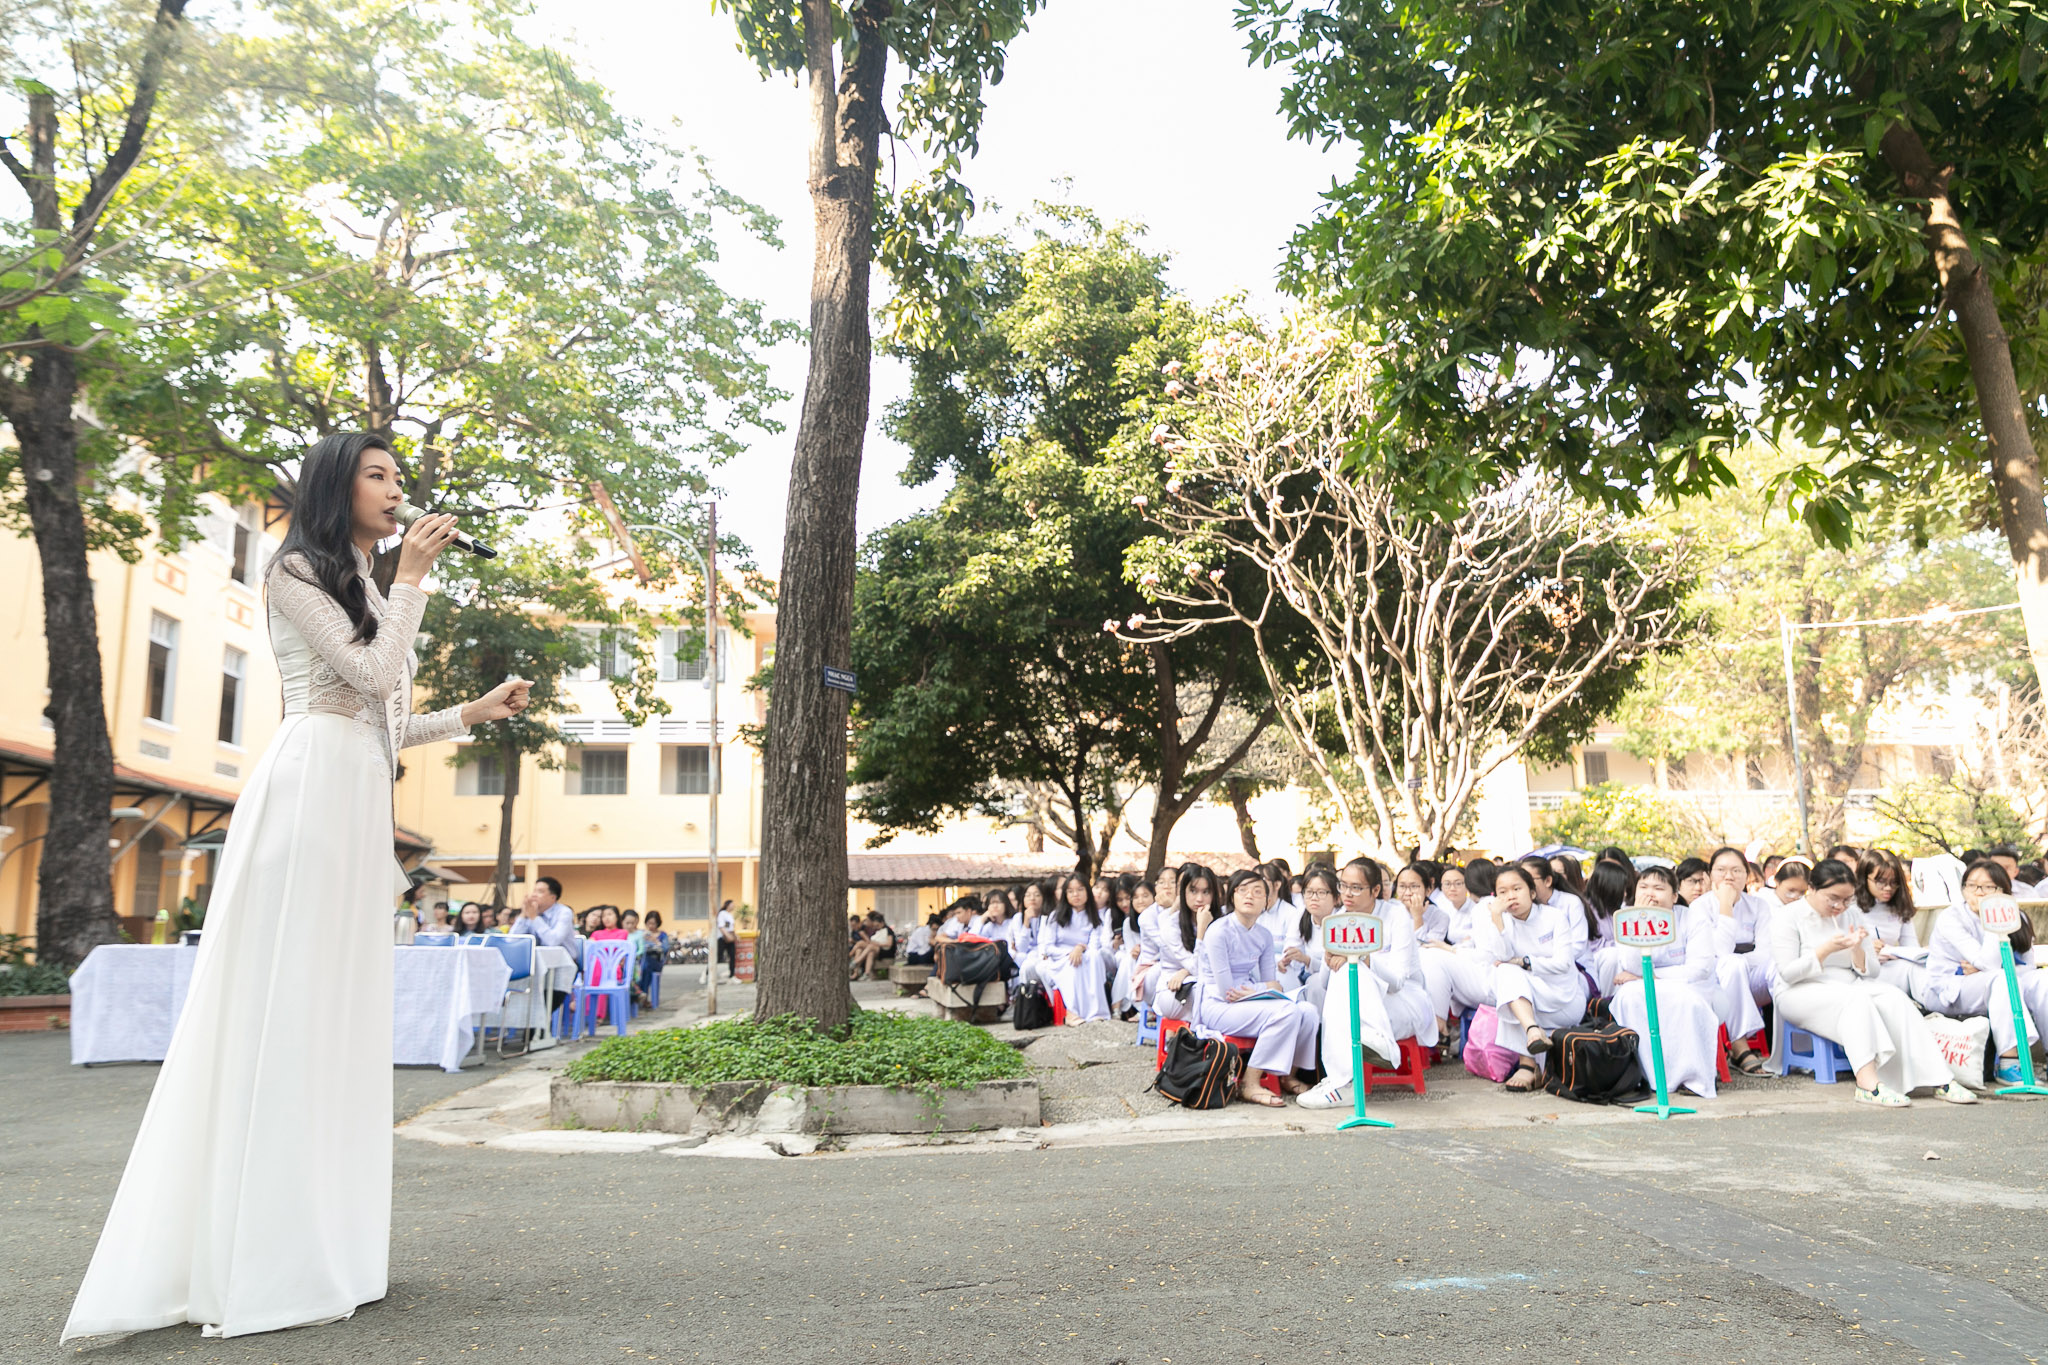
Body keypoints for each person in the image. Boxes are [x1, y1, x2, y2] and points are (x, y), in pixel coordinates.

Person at [65, 432, 529, 1343]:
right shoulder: (294, 575)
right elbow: (364, 675)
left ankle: (326, 1241)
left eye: (400, 478)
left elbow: (385, 714)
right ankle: (261, 1253)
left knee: (336, 1012)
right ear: (337, 485)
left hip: (355, 791)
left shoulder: (363, 582)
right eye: (380, 475)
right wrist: (415, 580)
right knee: (290, 1003)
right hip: (309, 790)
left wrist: (468, 714)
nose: (398, 490)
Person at [1770, 858, 1973, 1108]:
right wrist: (1824, 951)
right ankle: (1868, 1083)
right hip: (1798, 991)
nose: (1840, 906)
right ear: (1811, 889)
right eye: (1833, 898)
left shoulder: (1852, 914)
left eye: (1846, 899)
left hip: (1848, 982)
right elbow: (1788, 973)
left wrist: (1857, 950)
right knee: (1856, 1001)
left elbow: (1872, 972)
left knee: (1895, 997)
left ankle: (1940, 1079)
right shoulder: (1788, 917)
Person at [1595, 864, 1736, 1097]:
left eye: (1658, 888)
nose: (1650, 893)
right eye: (1644, 887)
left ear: (1674, 896)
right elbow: (1630, 965)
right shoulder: (1627, 918)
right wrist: (1637, 924)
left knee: (1686, 1002)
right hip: (1642, 985)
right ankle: (1645, 1075)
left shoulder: (1692, 918)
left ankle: (1692, 1077)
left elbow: (1700, 969)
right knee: (1629, 997)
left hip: (1690, 986)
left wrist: (1649, 975)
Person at [1194, 870, 1321, 1106]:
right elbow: (1227, 991)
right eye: (1242, 890)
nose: (1249, 895)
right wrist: (1261, 989)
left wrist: (1259, 990)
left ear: (1267, 900)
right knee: (1287, 1012)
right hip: (1218, 1005)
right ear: (1232, 896)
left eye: (1257, 891)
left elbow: (1273, 985)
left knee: (1308, 1012)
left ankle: (1287, 1076)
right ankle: (1250, 1083)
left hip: (1250, 1001)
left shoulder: (1263, 935)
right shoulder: (1218, 931)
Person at [1923, 860, 2048, 1085]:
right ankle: (2009, 1064)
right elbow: (1989, 963)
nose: (1979, 893)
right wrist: (1994, 920)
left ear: (2004, 890)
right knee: (2001, 979)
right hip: (1951, 988)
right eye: (1973, 886)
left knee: (2042, 979)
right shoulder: (1952, 918)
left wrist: (1988, 967)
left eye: (1989, 887)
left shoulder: (2018, 916)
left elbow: (2026, 967)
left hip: (1992, 980)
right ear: (1963, 889)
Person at [1474, 863, 1588, 1092]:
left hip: (1563, 998)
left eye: (1517, 889)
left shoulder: (1554, 917)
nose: (1510, 896)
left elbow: (1564, 963)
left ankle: (1528, 1063)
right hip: (1528, 1001)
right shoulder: (1501, 921)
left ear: (1532, 892)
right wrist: (1497, 919)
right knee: (1505, 973)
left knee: (1511, 975)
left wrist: (1525, 962)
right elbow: (1502, 957)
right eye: (1503, 892)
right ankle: (1532, 1033)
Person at [1033, 873, 1110, 1022]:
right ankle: (1072, 1012)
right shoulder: (1056, 916)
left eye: (1080, 890)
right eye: (1070, 891)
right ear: (1065, 895)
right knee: (1073, 965)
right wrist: (1071, 952)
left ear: (1087, 892)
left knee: (1094, 957)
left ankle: (1096, 1012)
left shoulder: (1094, 917)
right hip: (1060, 960)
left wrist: (1080, 949)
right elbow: (1048, 948)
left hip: (1085, 956)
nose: (1076, 894)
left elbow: (1093, 946)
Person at [1855, 849, 1926, 1000]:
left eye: (1893, 883)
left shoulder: (1899, 906)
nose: (1888, 888)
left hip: (1893, 967)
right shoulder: (1851, 908)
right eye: (1881, 882)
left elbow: (1911, 946)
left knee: (1916, 968)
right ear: (1864, 878)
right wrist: (1866, 947)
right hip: (1863, 974)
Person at [512, 877, 580, 966]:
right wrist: (523, 915)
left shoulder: (564, 912)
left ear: (553, 897)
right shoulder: (532, 911)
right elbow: (512, 941)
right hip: (535, 963)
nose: (534, 895)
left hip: (563, 964)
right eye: (534, 891)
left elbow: (553, 942)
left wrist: (534, 918)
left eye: (540, 892)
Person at [635, 910, 668, 1003]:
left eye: (653, 924)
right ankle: (640, 995)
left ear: (658, 923)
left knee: (646, 966)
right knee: (643, 966)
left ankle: (642, 994)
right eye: (649, 923)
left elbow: (665, 949)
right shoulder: (641, 933)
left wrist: (656, 941)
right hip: (641, 961)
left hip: (655, 962)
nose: (651, 926)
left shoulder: (662, 935)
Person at [715, 899, 737, 978]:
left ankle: (732, 975)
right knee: (718, 957)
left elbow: (731, 927)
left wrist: (734, 936)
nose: (733, 906)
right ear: (727, 905)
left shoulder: (730, 915)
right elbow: (721, 927)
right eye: (732, 904)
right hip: (722, 938)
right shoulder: (722, 914)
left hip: (730, 938)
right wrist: (727, 936)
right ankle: (708, 972)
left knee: (732, 956)